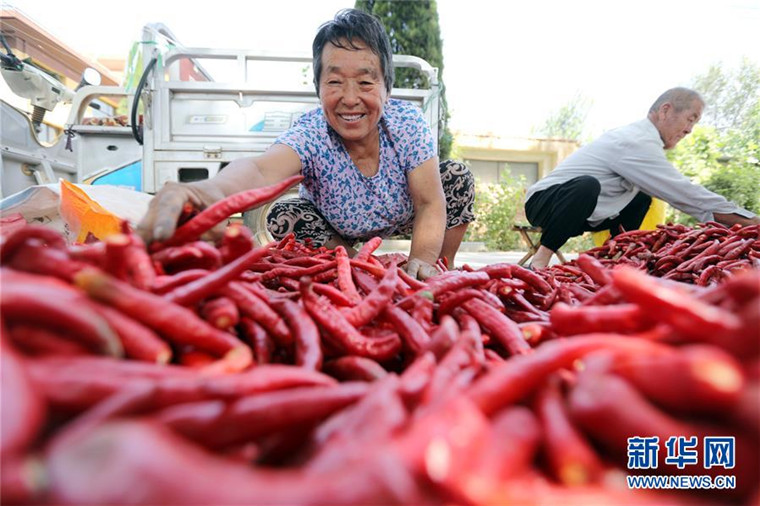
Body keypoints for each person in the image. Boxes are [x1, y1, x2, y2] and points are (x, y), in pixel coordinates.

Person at [137, 8, 475, 280]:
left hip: (404, 213)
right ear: (318, 89)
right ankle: (356, 270)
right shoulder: (312, 131)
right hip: (336, 227)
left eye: (365, 82)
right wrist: (205, 192)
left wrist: (422, 258)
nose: (350, 98)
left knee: (456, 177)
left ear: (387, 87)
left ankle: (437, 272)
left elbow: (430, 203)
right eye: (334, 81)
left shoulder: (406, 122)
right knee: (285, 215)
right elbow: (260, 168)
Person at [523, 87, 759, 269]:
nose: (689, 130)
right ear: (666, 110)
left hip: (586, 212)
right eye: (690, 118)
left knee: (641, 198)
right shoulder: (635, 140)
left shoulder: (646, 143)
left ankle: (616, 256)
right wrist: (751, 223)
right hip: (545, 204)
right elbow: (684, 193)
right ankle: (541, 259)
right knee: (587, 185)